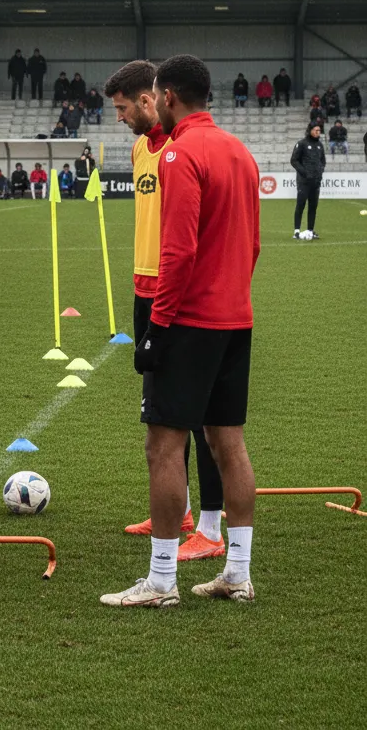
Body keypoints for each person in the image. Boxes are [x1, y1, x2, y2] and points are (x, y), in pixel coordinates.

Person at [102, 53, 260, 608]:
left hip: (186, 320)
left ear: (165, 96)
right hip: (234, 318)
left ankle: (161, 581)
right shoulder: (240, 151)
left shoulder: (180, 152)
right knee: (229, 444)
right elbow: (254, 245)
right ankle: (237, 572)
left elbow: (178, 250)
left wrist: (157, 327)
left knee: (163, 446)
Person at [103, 59, 225, 561]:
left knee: (201, 417)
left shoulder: (184, 148)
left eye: (123, 107)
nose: (119, 117)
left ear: (150, 100)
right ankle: (179, 510)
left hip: (184, 295)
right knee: (162, 413)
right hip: (144, 291)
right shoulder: (138, 149)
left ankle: (213, 530)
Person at [290, 123, 326, 239]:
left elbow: (323, 161)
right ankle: (296, 231)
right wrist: (304, 173)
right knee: (300, 205)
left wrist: (320, 172)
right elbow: (294, 160)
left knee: (313, 207)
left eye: (319, 131)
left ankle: (310, 230)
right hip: (304, 182)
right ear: (310, 130)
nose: (317, 132)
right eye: (315, 130)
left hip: (315, 182)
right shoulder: (302, 144)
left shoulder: (320, 145)